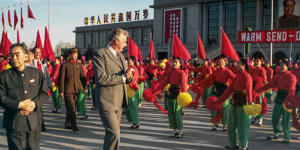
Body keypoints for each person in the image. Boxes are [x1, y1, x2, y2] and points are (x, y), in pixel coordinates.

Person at [0, 43, 48, 150]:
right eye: (11, 55)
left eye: (17, 54)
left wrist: (33, 104)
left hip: (34, 122)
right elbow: (1, 97)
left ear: (26, 56)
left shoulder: (37, 73)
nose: (14, 58)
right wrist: (19, 104)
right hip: (14, 122)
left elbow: (44, 93)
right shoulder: (4, 76)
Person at [93, 28, 132, 150]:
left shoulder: (121, 56)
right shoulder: (100, 54)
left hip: (119, 102)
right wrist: (123, 77)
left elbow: (125, 77)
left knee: (111, 134)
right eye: (124, 42)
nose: (125, 45)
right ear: (116, 41)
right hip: (106, 102)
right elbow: (101, 78)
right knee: (114, 133)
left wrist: (129, 76)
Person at [257, 60, 297, 143]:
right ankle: (276, 133)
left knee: (285, 119)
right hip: (279, 97)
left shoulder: (291, 76)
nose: (281, 67)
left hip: (287, 98)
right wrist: (260, 89)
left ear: (287, 66)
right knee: (275, 117)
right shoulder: (278, 75)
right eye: (280, 65)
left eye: (283, 65)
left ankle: (287, 137)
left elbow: (292, 89)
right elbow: (270, 84)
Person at [217, 59, 253, 150]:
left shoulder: (247, 76)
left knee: (242, 126)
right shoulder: (237, 77)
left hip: (243, 104)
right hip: (234, 102)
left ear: (244, 65)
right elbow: (229, 90)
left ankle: (244, 146)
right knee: (231, 125)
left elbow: (249, 90)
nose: (236, 65)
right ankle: (234, 145)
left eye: (239, 64)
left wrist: (250, 101)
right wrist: (219, 101)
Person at [59, 48, 87, 133]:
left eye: (76, 55)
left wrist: (85, 87)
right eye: (73, 55)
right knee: (72, 108)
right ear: (70, 55)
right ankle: (74, 126)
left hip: (76, 90)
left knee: (71, 107)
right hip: (67, 90)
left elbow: (83, 77)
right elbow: (61, 78)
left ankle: (67, 124)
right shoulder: (65, 65)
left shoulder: (79, 65)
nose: (75, 56)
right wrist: (61, 91)